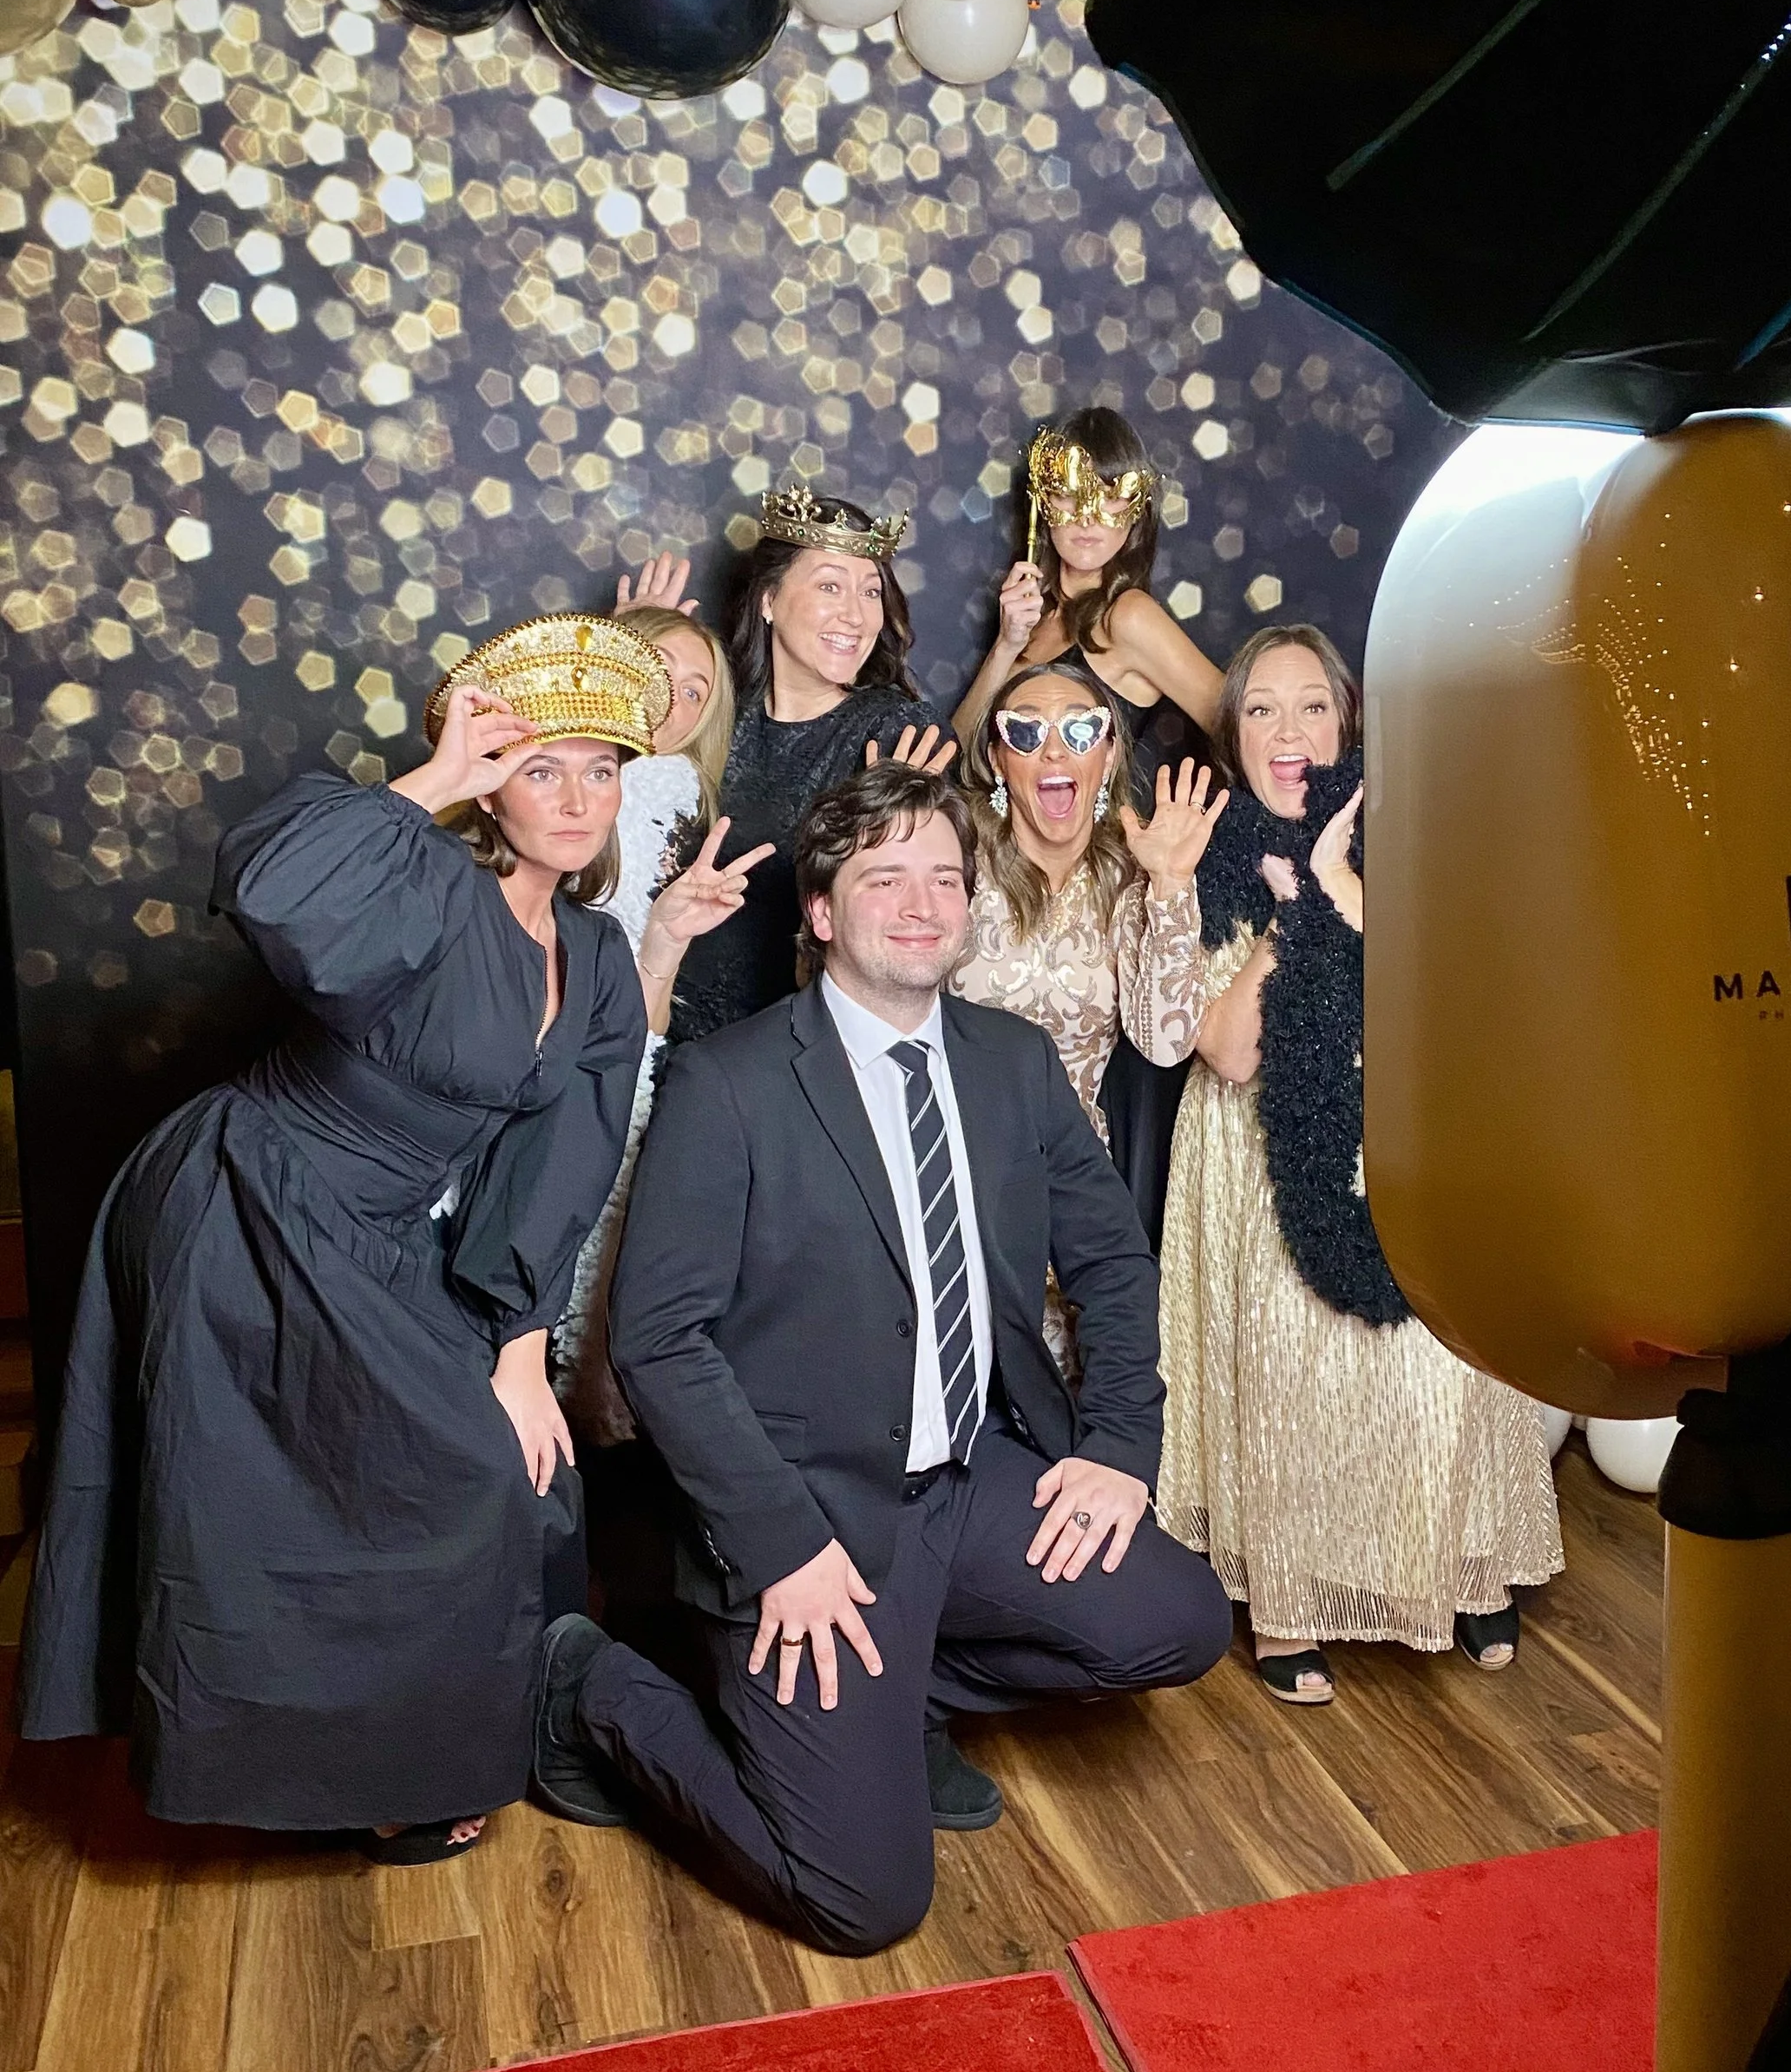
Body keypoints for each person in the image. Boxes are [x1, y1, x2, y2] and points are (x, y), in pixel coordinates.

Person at [530, 760, 1233, 1957]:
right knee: (863, 1901)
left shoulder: (1012, 1064)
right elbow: (656, 1338)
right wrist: (781, 1549)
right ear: (820, 911)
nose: (922, 903)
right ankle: (585, 1683)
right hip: (807, 1520)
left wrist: (1119, 1444)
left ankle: (893, 1685)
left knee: (1178, 1619)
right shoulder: (733, 1080)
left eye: (946, 879)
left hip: (968, 1478)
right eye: (885, 877)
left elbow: (1114, 1263)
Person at [15, 615, 665, 1859]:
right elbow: (265, 883)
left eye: (600, 768)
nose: (576, 795)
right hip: (247, 1195)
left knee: (497, 1468)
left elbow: (559, 1168)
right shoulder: (427, 880)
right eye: (543, 766)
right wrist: (428, 785)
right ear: (492, 786)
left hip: (376, 1226)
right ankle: (324, 1770)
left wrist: (519, 1347)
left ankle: (415, 1741)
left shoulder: (594, 952)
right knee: (259, 1502)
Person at [1157, 625, 1562, 1707]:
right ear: (1232, 732)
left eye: (1311, 708)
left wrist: (1338, 874)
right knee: (1293, 1367)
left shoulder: (1415, 831)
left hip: (1406, 1128)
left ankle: (1464, 1567)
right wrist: (1296, 913)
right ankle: (1295, 1601)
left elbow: (1451, 995)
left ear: (1347, 723)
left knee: (1438, 1354)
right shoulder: (1201, 856)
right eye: (1261, 710)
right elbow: (1230, 1052)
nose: (1288, 733)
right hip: (1258, 1150)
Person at [955, 410, 1227, 1249]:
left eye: (1112, 496)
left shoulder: (1129, 616)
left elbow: (1236, 719)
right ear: (1041, 500)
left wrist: (1201, 840)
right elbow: (965, 757)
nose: (1087, 514)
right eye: (1070, 492)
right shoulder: (1036, 620)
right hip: (1018, 884)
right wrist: (1004, 649)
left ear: (1137, 513)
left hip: (1106, 891)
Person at [949, 664, 1220, 1375]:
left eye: (1079, 729)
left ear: (1106, 757)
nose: (1054, 750)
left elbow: (1166, 1042)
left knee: (1063, 1413)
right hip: (949, 1172)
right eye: (1026, 730)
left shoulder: (1130, 881)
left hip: (1070, 1188)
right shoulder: (955, 866)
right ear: (998, 760)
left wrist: (1170, 886)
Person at [554, 567, 768, 1448]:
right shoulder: (589, 779)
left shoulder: (668, 790)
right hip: (562, 1056)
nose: (672, 704)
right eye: (653, 676)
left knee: (578, 1274)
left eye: (693, 692)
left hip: (609, 1056)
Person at [666, 484, 955, 1040]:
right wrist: (625, 660)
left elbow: (906, 915)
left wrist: (898, 821)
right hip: (666, 1033)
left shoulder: (899, 736)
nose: (855, 615)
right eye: (830, 586)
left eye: (871, 592)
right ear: (769, 600)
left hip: (799, 1052)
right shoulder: (714, 715)